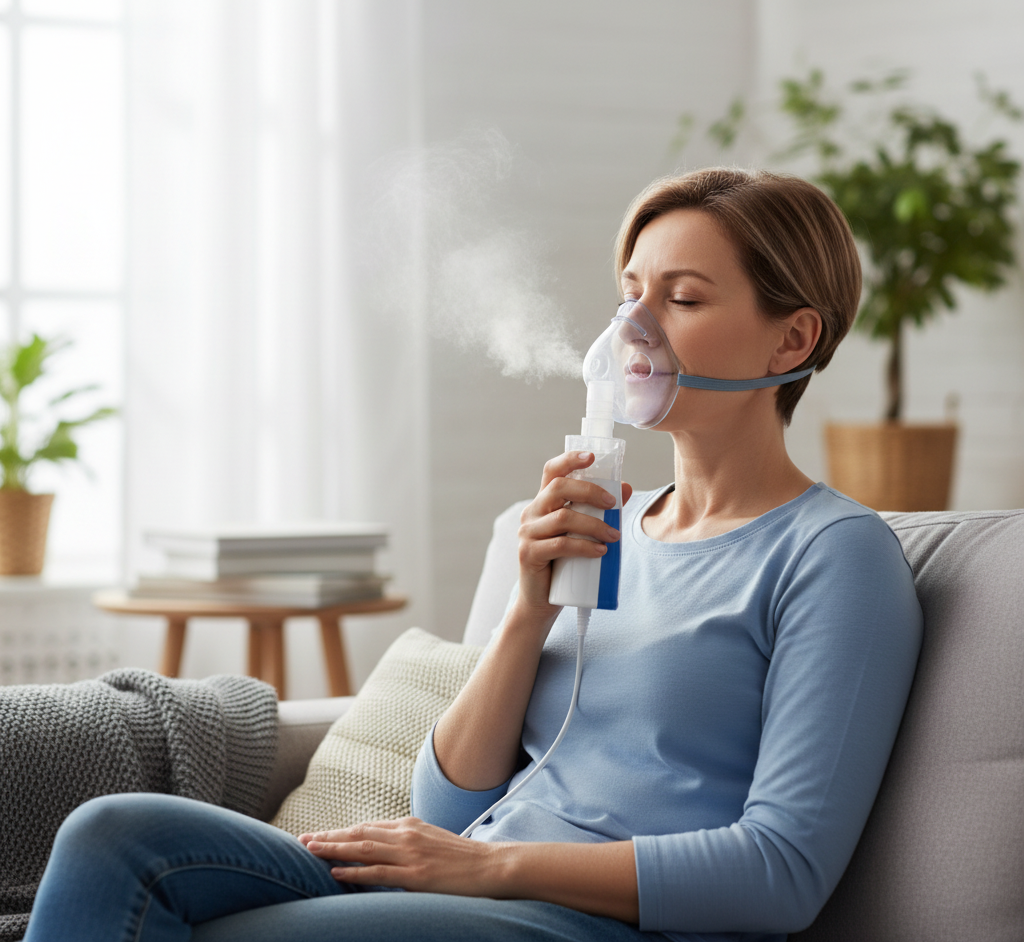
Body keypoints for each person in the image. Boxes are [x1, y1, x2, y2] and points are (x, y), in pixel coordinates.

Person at [24, 169, 921, 942]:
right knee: (111, 836)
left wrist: (490, 870)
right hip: (476, 882)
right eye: (629, 294)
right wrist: (528, 611)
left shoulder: (833, 557)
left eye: (681, 299)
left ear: (792, 340)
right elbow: (445, 811)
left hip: (594, 921)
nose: (633, 329)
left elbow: (782, 871)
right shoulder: (608, 525)